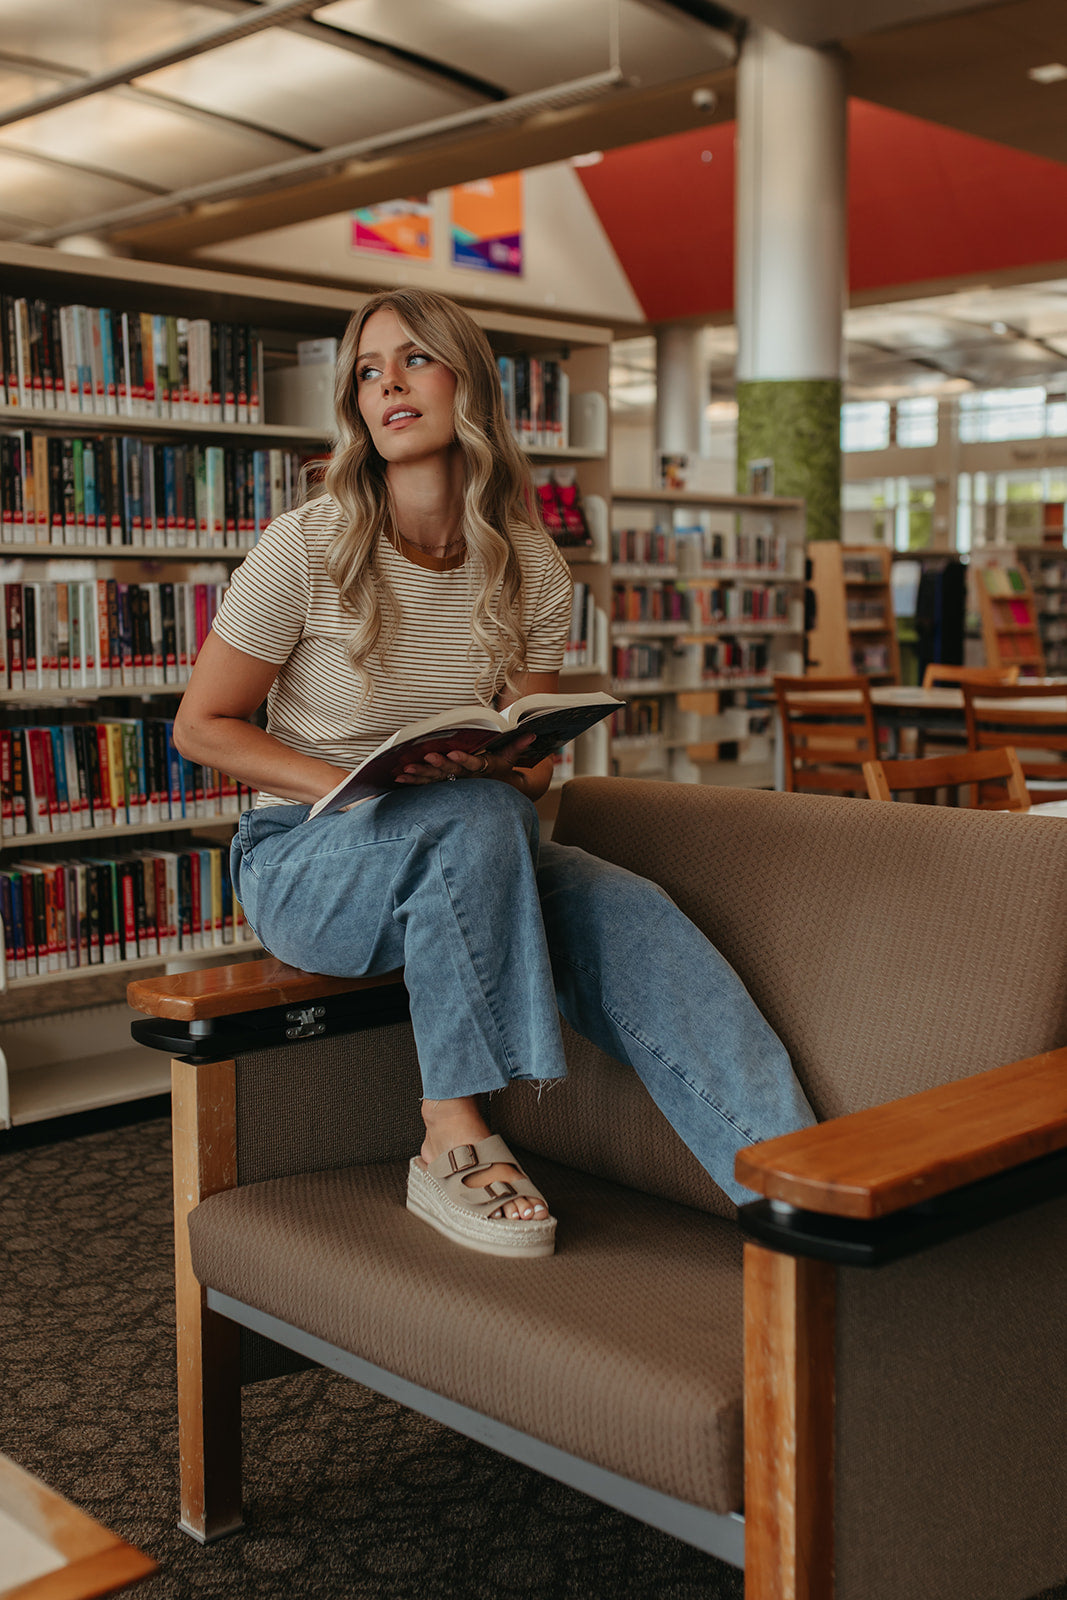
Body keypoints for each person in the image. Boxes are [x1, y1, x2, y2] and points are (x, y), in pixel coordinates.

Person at [173, 286, 814, 1261]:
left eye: (413, 359)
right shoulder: (301, 546)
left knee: (632, 908)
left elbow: (531, 769)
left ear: (468, 380)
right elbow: (202, 728)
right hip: (305, 861)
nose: (386, 382)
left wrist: (504, 769)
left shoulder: (528, 565)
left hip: (473, 839)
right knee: (471, 818)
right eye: (366, 369)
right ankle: (450, 1131)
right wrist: (364, 789)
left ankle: (800, 1196)